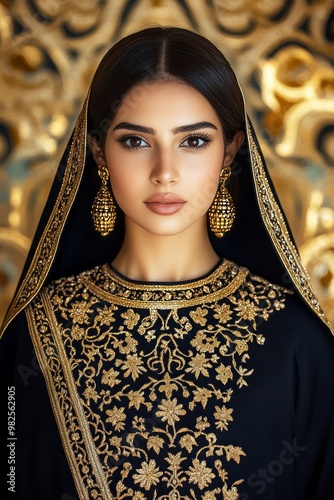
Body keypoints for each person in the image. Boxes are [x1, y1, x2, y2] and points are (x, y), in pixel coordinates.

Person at [0, 26, 333, 500]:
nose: (165, 172)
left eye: (193, 141)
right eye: (136, 142)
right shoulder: (35, 332)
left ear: (230, 153)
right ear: (99, 152)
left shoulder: (296, 340)